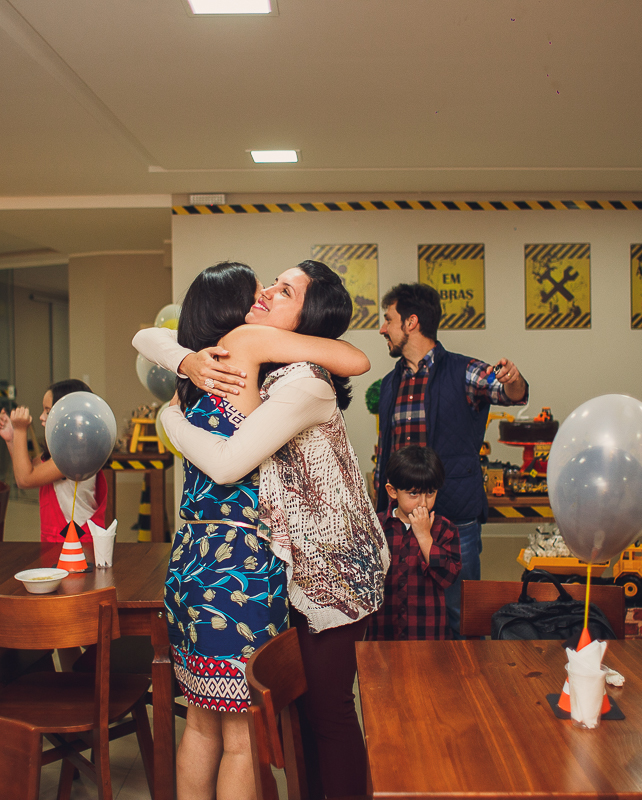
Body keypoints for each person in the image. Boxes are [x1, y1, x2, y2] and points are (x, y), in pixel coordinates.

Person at [136, 260, 389, 800]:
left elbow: (227, 463)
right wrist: (186, 358)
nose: (268, 294)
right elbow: (152, 337)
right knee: (249, 732)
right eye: (263, 289)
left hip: (310, 572)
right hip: (245, 570)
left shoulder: (275, 375)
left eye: (283, 290)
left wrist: (170, 419)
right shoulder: (232, 362)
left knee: (310, 715)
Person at [374, 282, 529, 639]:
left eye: (388, 320)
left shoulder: (465, 371)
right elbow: (386, 451)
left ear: (411, 322)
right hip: (399, 522)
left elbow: (509, 393)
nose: (383, 328)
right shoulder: (388, 385)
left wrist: (515, 381)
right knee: (407, 609)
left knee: (461, 612)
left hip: (455, 517)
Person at [0, 379, 107, 545]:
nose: (41, 417)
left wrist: (20, 430)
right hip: (59, 539)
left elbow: (25, 479)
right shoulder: (63, 450)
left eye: (48, 411)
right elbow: (27, 468)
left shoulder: (76, 455)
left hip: (79, 541)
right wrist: (12, 439)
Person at [366, 445, 461, 641]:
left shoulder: (445, 530)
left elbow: (447, 578)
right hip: (384, 632)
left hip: (428, 635)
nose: (423, 503)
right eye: (414, 494)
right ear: (392, 491)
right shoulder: (376, 528)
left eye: (430, 493)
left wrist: (425, 537)